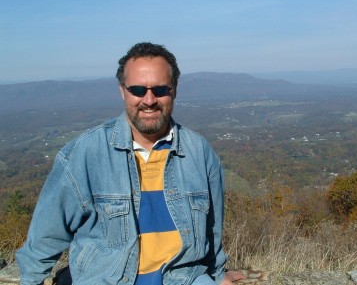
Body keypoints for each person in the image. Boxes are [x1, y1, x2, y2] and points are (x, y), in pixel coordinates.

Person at [16, 42, 245, 285]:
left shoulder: (200, 153)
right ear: (122, 91)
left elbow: (212, 232)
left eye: (160, 90)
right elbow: (46, 235)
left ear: (174, 90)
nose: (149, 100)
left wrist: (217, 276)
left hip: (184, 278)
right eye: (137, 89)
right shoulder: (85, 153)